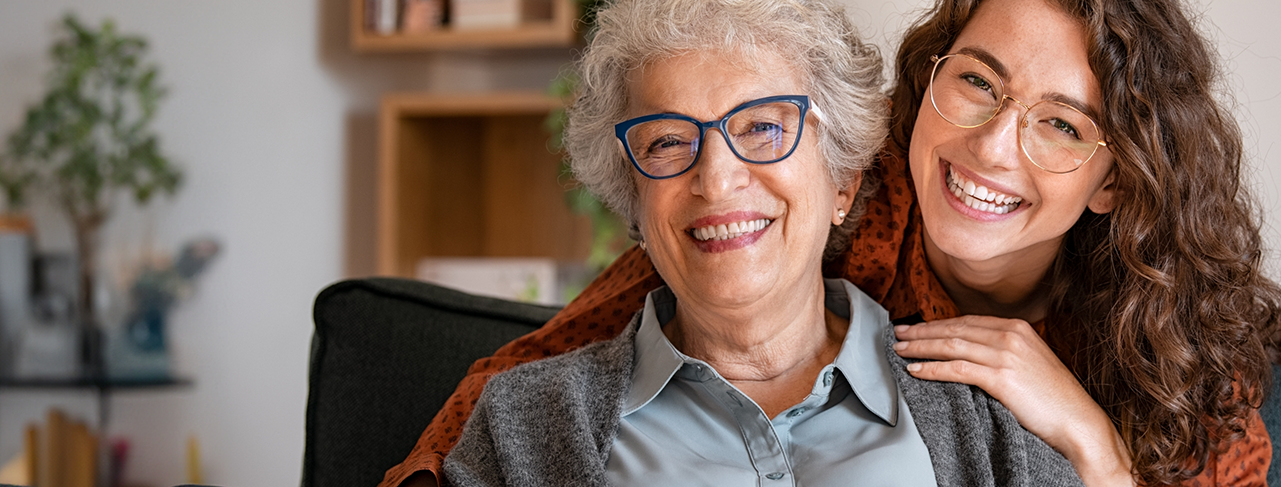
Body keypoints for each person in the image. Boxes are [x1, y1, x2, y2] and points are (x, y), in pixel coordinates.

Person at [383, 0, 1280, 485]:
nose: (992, 147)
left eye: (1061, 124)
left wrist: (1094, 446)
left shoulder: (1184, 352)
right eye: (977, 82)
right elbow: (562, 354)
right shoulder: (851, 193)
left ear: (1114, 178)